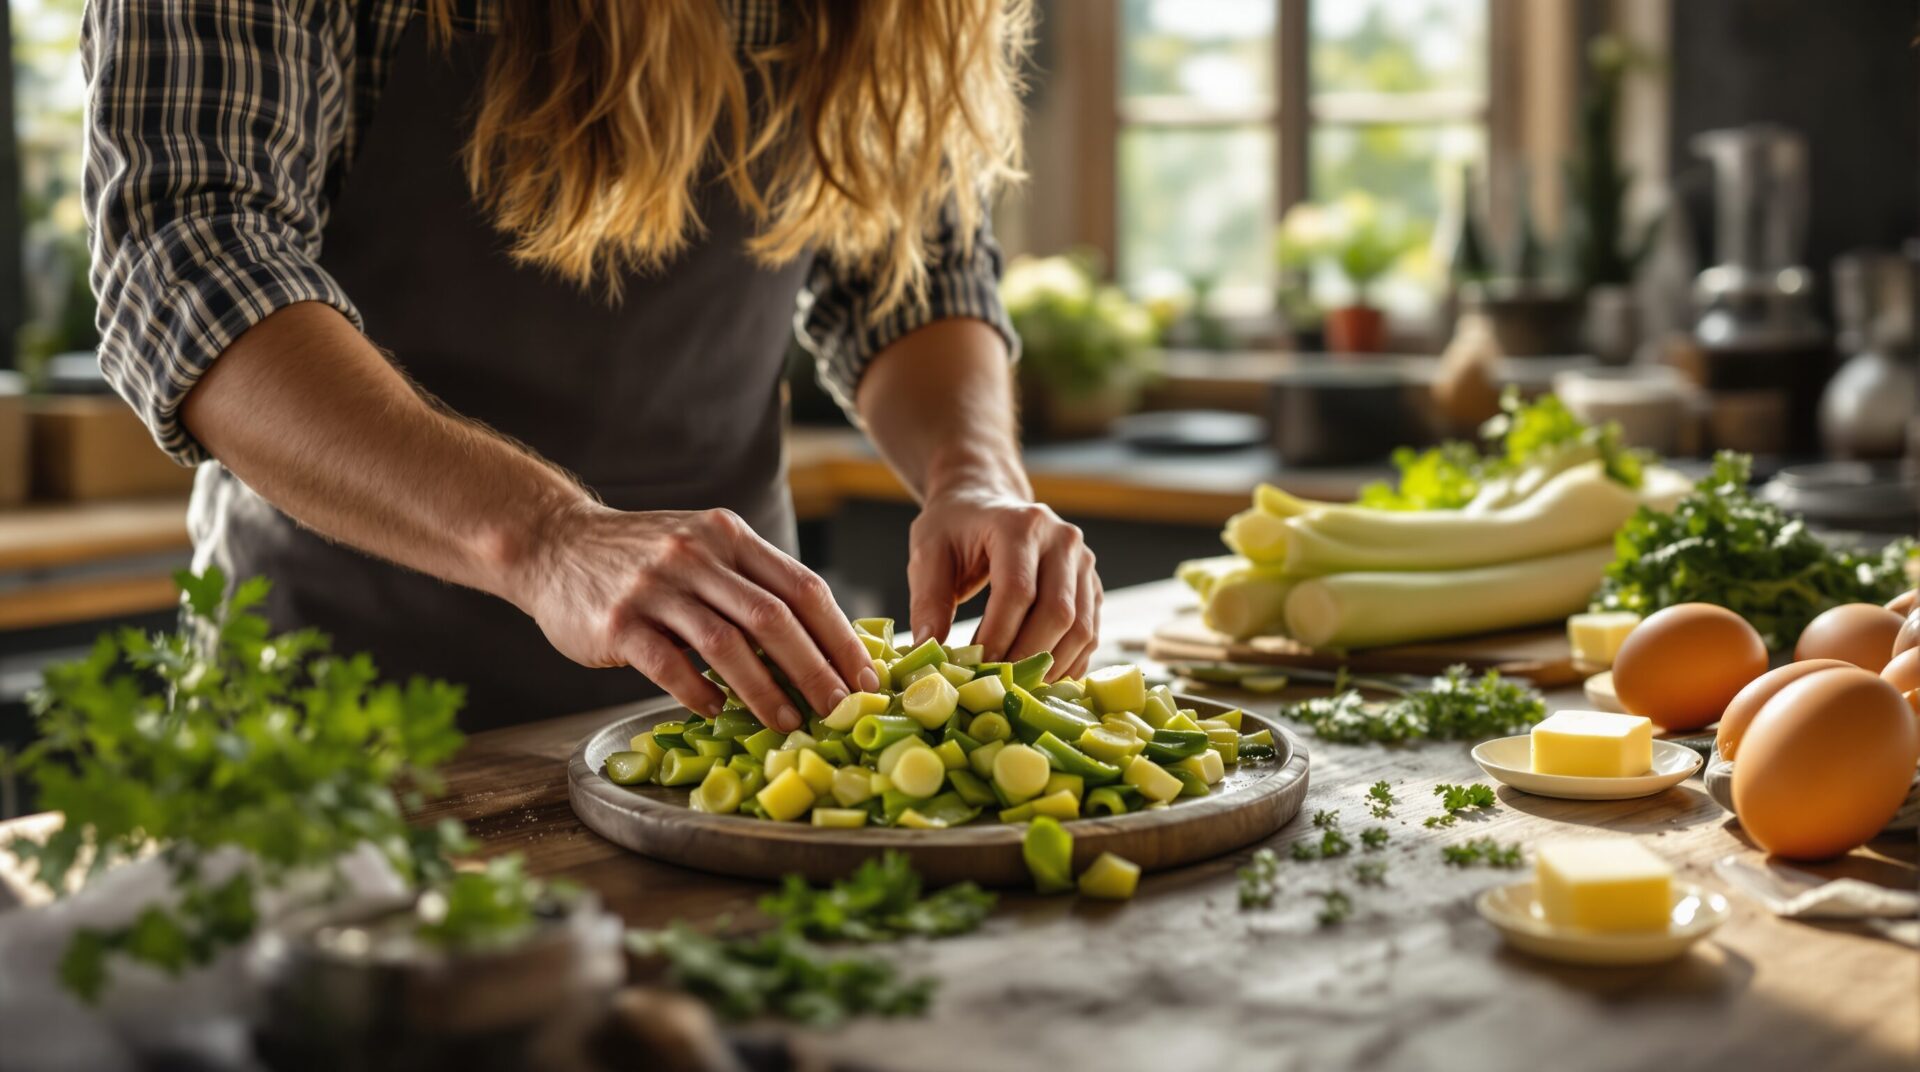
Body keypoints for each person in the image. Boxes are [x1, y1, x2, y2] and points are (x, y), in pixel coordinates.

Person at [83, 0, 1099, 731]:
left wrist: (976, 475)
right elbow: (188, 259)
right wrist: (552, 538)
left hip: (728, 722)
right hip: (339, 721)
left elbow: (915, 274)